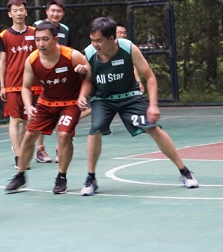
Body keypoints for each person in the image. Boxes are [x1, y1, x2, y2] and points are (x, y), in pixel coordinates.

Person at [77, 17, 199, 196]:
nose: (94, 44)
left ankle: (184, 171)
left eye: (99, 40)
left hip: (129, 97)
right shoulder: (89, 53)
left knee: (153, 129)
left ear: (111, 38)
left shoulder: (128, 48)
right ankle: (90, 178)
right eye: (92, 40)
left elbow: (150, 77)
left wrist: (153, 105)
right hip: (103, 99)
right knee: (95, 130)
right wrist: (82, 95)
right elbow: (88, 80)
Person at [5, 22, 90, 194]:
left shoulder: (72, 55)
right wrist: (28, 106)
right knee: (29, 136)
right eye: (37, 40)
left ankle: (61, 177)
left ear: (55, 39)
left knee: (64, 135)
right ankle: (20, 175)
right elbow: (26, 87)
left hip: (70, 102)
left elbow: (89, 76)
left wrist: (84, 77)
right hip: (46, 102)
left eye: (45, 39)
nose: (41, 43)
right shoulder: (32, 60)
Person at [0, 0, 39, 170]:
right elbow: (3, 62)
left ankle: (22, 150)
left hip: (32, 84)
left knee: (29, 121)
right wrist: (2, 85)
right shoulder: (4, 36)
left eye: (21, 10)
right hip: (13, 84)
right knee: (14, 120)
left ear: (26, 12)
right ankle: (18, 156)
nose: (19, 13)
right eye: (15, 11)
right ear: (10, 14)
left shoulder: (35, 33)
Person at [33, 0, 72, 163]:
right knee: (41, 114)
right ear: (47, 11)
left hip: (60, 78)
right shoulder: (36, 26)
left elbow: (68, 51)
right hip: (41, 76)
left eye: (59, 11)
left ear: (63, 13)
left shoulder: (65, 30)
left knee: (61, 112)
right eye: (53, 10)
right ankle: (40, 149)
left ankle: (60, 148)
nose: (55, 14)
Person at [116, 23, 145, 94]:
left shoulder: (129, 48)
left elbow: (133, 66)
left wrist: (138, 81)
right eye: (119, 33)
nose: (122, 35)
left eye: (124, 33)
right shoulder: (106, 49)